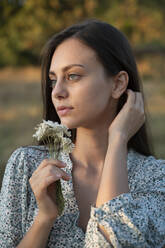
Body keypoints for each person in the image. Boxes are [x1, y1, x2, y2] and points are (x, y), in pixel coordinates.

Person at [0, 18, 165, 248]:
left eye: (73, 76)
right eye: (53, 80)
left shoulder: (156, 179)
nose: (57, 92)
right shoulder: (27, 164)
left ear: (118, 84)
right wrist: (43, 219)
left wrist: (117, 138)